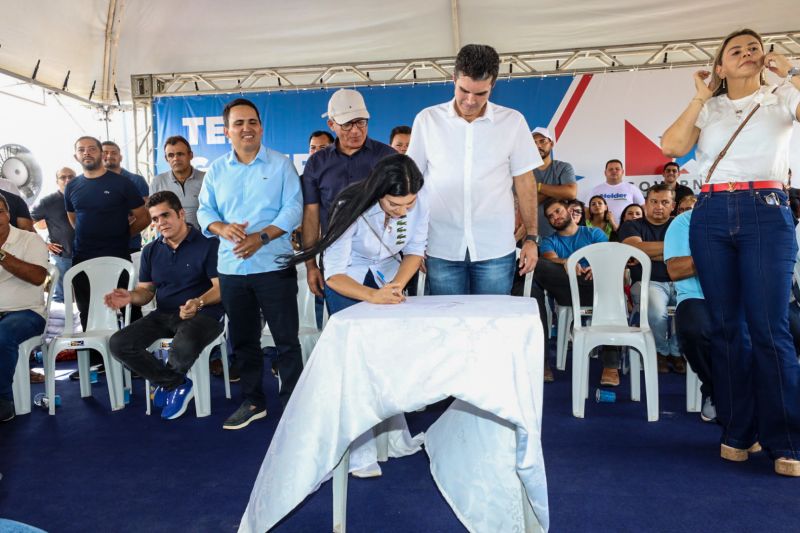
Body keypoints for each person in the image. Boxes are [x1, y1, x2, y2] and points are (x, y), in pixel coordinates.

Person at [661, 28, 800, 476]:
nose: (747, 53)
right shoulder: (711, 108)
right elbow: (672, 146)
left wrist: (788, 76)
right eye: (734, 50)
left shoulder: (781, 97)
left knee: (769, 329)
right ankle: (739, 430)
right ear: (719, 66)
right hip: (711, 211)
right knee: (725, 327)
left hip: (767, 209)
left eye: (754, 48)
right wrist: (700, 97)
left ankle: (786, 439)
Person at [288, 153, 428, 477]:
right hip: (349, 281)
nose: (403, 210)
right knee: (357, 367)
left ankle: (394, 439)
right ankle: (360, 450)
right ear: (379, 192)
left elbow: (415, 249)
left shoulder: (417, 200)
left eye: (409, 203)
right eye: (395, 205)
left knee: (387, 361)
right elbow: (334, 273)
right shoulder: (349, 205)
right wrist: (373, 296)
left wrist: (393, 287)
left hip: (387, 276)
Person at [197, 98, 303, 430]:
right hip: (232, 271)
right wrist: (220, 227)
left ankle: (294, 405)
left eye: (252, 122)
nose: (247, 128)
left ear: (261, 127)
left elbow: (294, 209)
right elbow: (204, 211)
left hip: (273, 266)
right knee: (243, 341)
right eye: (239, 123)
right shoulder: (216, 170)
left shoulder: (281, 164)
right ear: (227, 131)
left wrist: (261, 237)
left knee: (286, 340)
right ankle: (253, 400)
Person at [407, 43, 541, 296]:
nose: (470, 101)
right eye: (464, 90)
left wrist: (532, 239)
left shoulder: (513, 122)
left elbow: (525, 182)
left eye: (480, 94)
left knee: (491, 325)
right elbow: (413, 183)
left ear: (493, 85)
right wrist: (414, 243)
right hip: (440, 245)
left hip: (495, 247)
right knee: (447, 325)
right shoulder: (427, 120)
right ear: (453, 78)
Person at [106, 191, 223, 420]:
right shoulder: (151, 250)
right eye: (155, 219)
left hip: (204, 313)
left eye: (165, 215)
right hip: (164, 314)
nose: (161, 223)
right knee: (119, 343)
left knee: (183, 342)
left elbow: (220, 289)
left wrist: (198, 302)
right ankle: (174, 384)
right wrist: (130, 297)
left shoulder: (209, 245)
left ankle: (168, 383)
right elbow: (146, 292)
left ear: (181, 213)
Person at [65, 136, 150, 378]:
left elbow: (142, 217)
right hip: (83, 259)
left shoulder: (122, 183)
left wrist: (122, 235)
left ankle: (136, 360)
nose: (87, 153)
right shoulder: (72, 186)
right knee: (86, 311)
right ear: (76, 157)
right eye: (81, 150)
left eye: (92, 148)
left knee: (129, 307)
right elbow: (73, 219)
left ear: (102, 153)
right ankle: (96, 361)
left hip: (118, 257)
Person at [301, 89, 395, 300]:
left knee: (386, 328)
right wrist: (311, 266)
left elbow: (405, 208)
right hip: (338, 264)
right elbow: (311, 216)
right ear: (331, 124)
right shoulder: (317, 163)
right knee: (343, 327)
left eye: (361, 122)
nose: (355, 131)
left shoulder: (388, 157)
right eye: (347, 124)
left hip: (383, 263)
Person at [532, 199, 618, 384]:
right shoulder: (549, 241)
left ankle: (611, 366)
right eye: (551, 216)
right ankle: (542, 360)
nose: (556, 217)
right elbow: (549, 259)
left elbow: (609, 256)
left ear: (569, 211)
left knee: (612, 285)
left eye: (558, 211)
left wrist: (597, 266)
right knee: (536, 266)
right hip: (566, 289)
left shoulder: (593, 233)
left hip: (595, 286)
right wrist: (566, 262)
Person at [618, 184, 683, 373]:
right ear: (645, 204)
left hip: (681, 281)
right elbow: (636, 250)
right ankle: (661, 351)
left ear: (673, 206)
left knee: (693, 309)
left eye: (665, 202)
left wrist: (648, 252)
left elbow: (688, 250)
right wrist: (673, 249)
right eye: (654, 202)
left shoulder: (679, 224)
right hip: (647, 282)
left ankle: (678, 351)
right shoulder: (631, 225)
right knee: (656, 311)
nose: (659, 206)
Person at [664, 206, 716, 422]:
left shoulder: (754, 218)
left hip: (743, 295)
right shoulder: (685, 221)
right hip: (697, 295)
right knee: (695, 330)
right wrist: (715, 251)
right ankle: (717, 390)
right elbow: (676, 270)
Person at [0, 192, 49, 422]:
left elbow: (38, 277)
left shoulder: (30, 240)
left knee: (2, 335)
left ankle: (3, 401)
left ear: (8, 214)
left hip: (27, 313)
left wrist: (1, 255)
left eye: (0, 212)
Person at [31, 167, 76, 303]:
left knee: (88, 294)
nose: (67, 179)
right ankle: (61, 324)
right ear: (57, 181)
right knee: (60, 297)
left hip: (87, 255)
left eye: (71, 176)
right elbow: (27, 223)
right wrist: (43, 244)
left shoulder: (85, 198)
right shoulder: (47, 202)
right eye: (63, 177)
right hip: (62, 257)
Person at [101, 141, 150, 253]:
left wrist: (122, 235)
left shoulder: (136, 180)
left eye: (114, 153)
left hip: (129, 245)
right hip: (100, 247)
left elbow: (145, 215)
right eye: (105, 152)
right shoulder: (91, 183)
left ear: (120, 157)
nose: (109, 156)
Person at [150, 136, 206, 229]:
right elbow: (153, 215)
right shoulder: (157, 182)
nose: (175, 158)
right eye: (171, 155)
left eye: (180, 154)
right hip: (168, 241)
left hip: (202, 240)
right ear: (166, 158)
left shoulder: (207, 179)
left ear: (190, 155)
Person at [530, 127, 577, 239]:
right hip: (530, 236)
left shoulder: (564, 167)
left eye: (542, 141)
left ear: (551, 144)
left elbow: (571, 193)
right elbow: (524, 204)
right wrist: (558, 190)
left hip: (561, 235)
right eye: (534, 143)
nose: (538, 146)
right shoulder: (524, 172)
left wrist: (538, 187)